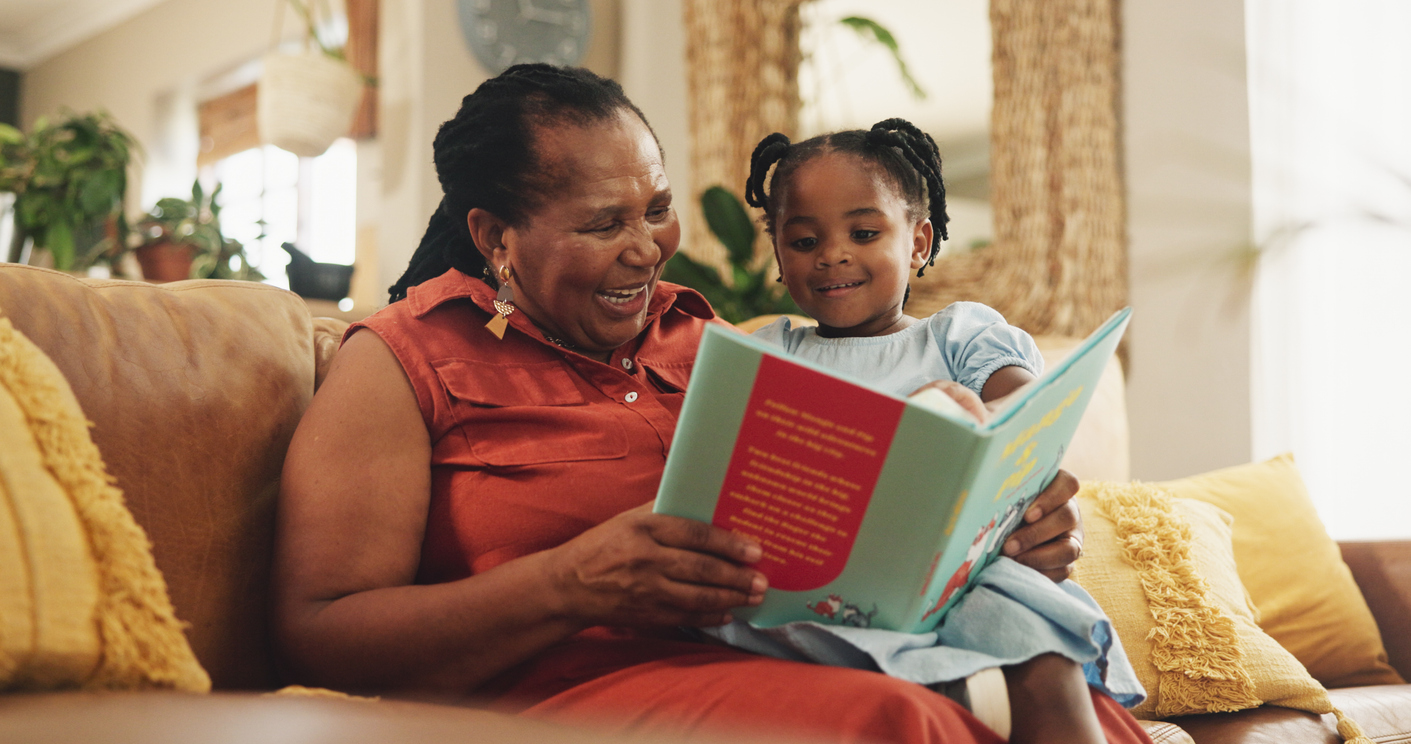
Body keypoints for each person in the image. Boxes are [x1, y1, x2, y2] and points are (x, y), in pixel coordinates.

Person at [271, 64, 1153, 744]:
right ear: (495, 238)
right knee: (895, 719)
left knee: (1071, 696)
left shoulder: (709, 342)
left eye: (655, 208)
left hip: (778, 647)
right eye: (601, 223)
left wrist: (1005, 523)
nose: (647, 249)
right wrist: (566, 581)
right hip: (553, 691)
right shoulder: (402, 358)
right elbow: (320, 630)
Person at [730, 119, 1143, 744]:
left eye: (864, 233)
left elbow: (1023, 421)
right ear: (780, 256)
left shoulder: (956, 336)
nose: (832, 254)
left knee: (1042, 662)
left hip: (963, 579)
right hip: (821, 588)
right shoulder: (770, 352)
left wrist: (963, 413)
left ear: (919, 242)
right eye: (804, 239)